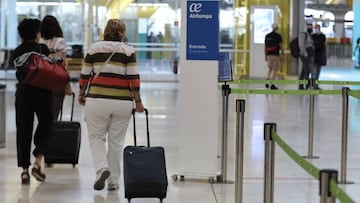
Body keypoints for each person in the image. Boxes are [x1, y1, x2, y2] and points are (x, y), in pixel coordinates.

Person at [78, 19, 144, 191]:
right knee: (116, 142)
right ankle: (113, 182)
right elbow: (134, 79)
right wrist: (138, 102)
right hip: (122, 102)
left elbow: (85, 75)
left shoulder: (93, 48)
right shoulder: (128, 51)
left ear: (105, 31)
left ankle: (101, 168)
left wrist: (81, 93)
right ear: (123, 32)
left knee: (96, 137)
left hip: (97, 100)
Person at [13, 18, 52, 184]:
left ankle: (24, 171)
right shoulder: (42, 48)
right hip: (42, 92)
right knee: (46, 124)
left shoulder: (17, 51)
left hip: (23, 92)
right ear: (37, 33)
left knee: (23, 130)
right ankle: (37, 161)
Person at [40, 15, 72, 120]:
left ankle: (44, 134)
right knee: (54, 114)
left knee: (43, 115)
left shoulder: (39, 41)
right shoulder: (60, 41)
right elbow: (62, 64)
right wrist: (68, 84)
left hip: (40, 81)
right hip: (56, 81)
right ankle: (52, 134)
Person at [264, 23, 284, 89]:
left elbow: (265, 46)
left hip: (269, 54)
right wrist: (283, 53)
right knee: (275, 70)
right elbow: (281, 46)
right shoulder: (278, 36)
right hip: (275, 55)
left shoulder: (267, 36)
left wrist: (266, 55)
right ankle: (272, 84)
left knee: (269, 68)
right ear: (277, 28)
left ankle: (267, 80)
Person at [298, 23, 315, 90]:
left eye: (311, 27)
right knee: (307, 69)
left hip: (309, 55)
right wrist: (305, 52)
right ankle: (306, 85)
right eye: (309, 27)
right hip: (304, 55)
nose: (310, 28)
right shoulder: (303, 34)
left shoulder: (309, 35)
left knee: (304, 70)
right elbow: (301, 44)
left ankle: (302, 85)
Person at [311, 24, 326, 89]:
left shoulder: (323, 36)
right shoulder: (312, 36)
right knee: (313, 70)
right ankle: (312, 84)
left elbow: (324, 45)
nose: (316, 29)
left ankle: (316, 85)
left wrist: (325, 54)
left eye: (317, 27)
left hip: (320, 54)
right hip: (314, 54)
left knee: (318, 70)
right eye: (315, 28)